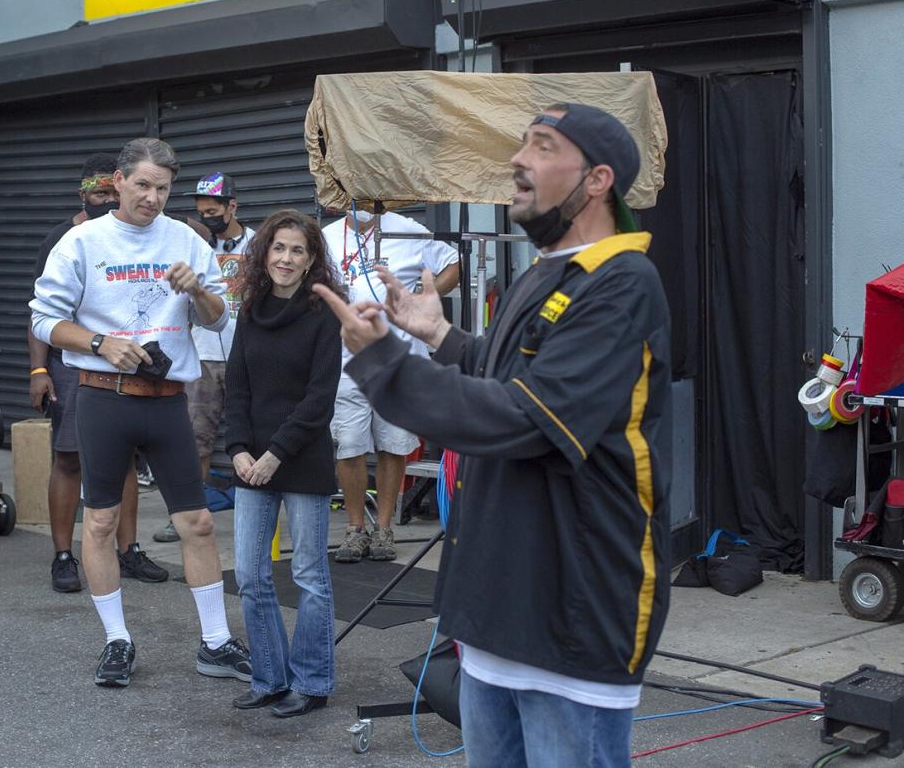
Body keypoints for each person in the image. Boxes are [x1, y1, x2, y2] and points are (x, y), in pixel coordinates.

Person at [315, 103, 672, 767]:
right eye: (522, 144)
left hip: (569, 612)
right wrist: (438, 337)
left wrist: (385, 362)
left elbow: (528, 418)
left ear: (595, 181)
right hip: (494, 615)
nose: (517, 160)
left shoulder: (622, 281)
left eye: (541, 146)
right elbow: (509, 375)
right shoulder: (542, 274)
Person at [31, 137, 251, 688]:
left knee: (196, 523)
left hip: (168, 399)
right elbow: (43, 320)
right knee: (101, 521)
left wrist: (198, 288)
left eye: (163, 187)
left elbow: (219, 320)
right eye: (144, 185)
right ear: (120, 183)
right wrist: (102, 342)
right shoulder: (82, 241)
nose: (153, 197)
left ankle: (216, 642)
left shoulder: (187, 239)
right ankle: (116, 641)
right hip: (103, 396)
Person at [28, 153, 167, 591]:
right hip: (73, 363)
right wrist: (38, 369)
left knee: (124, 458)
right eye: (99, 192)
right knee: (69, 459)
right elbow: (38, 312)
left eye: (112, 191)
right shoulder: (63, 238)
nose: (106, 199)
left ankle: (128, 551)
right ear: (82, 193)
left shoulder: (134, 235)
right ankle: (64, 555)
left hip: (127, 361)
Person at [224, 209, 342, 718]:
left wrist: (275, 453)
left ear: (312, 259)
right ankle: (270, 677)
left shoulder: (323, 316)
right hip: (253, 463)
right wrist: (240, 450)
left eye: (297, 250)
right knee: (251, 574)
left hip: (301, 459)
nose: (286, 258)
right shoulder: (250, 311)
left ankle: (312, 682)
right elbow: (236, 390)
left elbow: (319, 400)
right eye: (278, 248)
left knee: (310, 575)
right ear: (263, 253)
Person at [321, 206, 460, 563]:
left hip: (398, 359)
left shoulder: (407, 229)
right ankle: (355, 528)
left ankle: (383, 527)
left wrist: (417, 299)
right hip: (345, 358)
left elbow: (454, 263)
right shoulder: (327, 235)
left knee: (393, 445)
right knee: (349, 445)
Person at [154, 172, 254, 544]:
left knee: (253, 436)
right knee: (194, 438)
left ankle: (257, 511)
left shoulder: (259, 245)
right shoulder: (190, 246)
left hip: (247, 354)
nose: (207, 218)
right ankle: (184, 512)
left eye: (213, 211)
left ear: (232, 206)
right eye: (201, 212)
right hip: (203, 354)